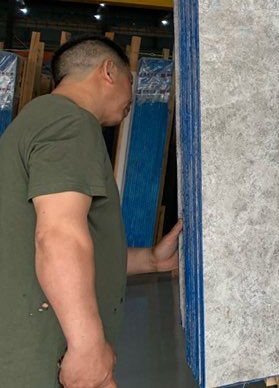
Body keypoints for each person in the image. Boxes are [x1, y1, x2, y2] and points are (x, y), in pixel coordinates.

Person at [0, 36, 183, 388]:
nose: (132, 95)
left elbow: (46, 238)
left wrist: (149, 260)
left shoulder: (42, 120)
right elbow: (59, 236)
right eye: (130, 79)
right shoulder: (68, 122)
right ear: (108, 71)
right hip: (39, 359)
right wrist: (87, 347)